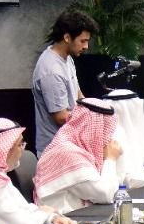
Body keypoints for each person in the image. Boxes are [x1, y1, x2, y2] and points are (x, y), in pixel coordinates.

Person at [34, 99, 123, 214]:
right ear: (94, 128)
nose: (108, 138)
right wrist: (111, 159)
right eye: (105, 131)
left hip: (80, 215)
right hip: (65, 219)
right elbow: (105, 194)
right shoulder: (67, 152)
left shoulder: (77, 147)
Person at [32, 10, 99, 154]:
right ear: (67, 37)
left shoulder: (67, 58)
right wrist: (93, 120)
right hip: (55, 151)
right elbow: (61, 117)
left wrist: (95, 111)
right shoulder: (51, 70)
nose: (86, 46)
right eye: (83, 41)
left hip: (69, 145)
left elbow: (79, 96)